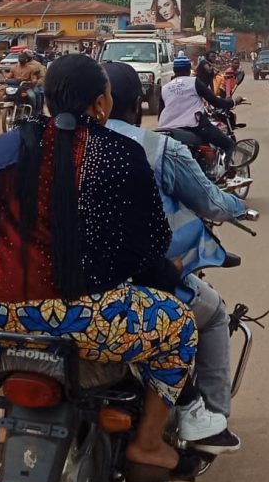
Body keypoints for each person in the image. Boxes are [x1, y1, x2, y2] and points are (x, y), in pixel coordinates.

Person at [0, 55, 197, 477]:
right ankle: (147, 444)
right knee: (180, 325)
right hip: (82, 323)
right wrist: (166, 273)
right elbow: (150, 246)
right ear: (100, 104)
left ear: (47, 99)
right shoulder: (118, 152)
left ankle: (11, 428)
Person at [102, 61, 248, 454]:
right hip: (127, 288)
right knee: (211, 313)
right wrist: (239, 207)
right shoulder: (151, 150)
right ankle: (207, 418)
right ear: (135, 104)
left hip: (64, 285)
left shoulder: (57, 148)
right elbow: (209, 201)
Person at [158, 54, 237, 159]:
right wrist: (232, 102)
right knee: (229, 145)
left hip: (167, 129)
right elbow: (216, 102)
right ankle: (229, 173)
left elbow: (160, 115)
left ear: (174, 70)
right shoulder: (194, 82)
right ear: (189, 69)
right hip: (195, 127)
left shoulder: (165, 88)